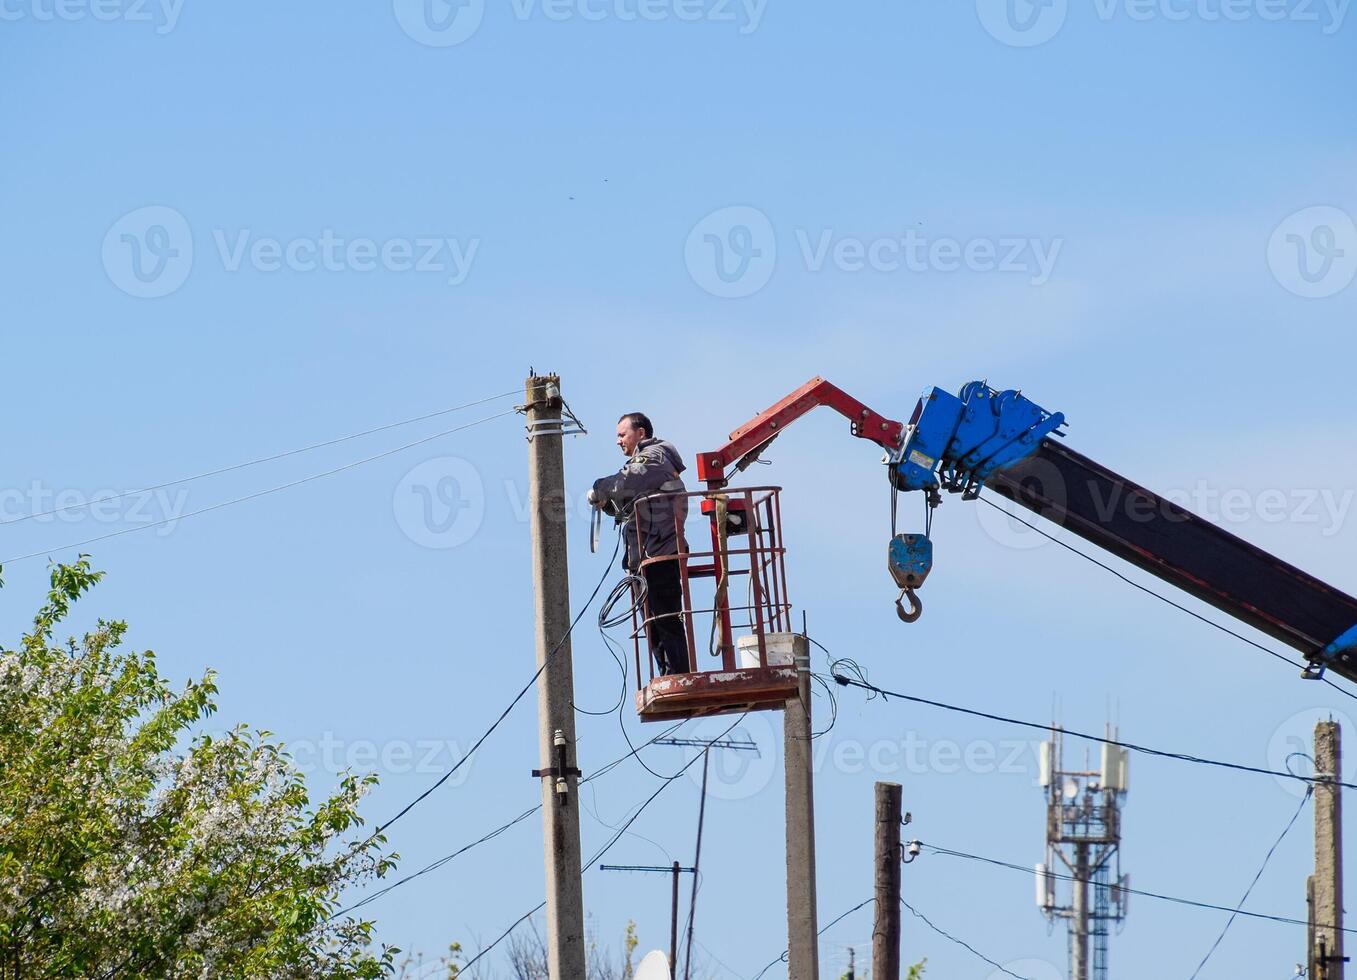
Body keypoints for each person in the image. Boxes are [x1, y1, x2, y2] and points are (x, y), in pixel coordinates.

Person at [589, 412, 690, 675]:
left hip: (661, 551)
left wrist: (599, 487)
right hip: (646, 555)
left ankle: (679, 673)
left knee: (665, 616)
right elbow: (622, 498)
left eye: (622, 434)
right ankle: (669, 673)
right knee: (652, 621)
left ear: (641, 433)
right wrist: (606, 501)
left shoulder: (654, 456)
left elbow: (627, 481)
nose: (618, 441)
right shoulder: (648, 463)